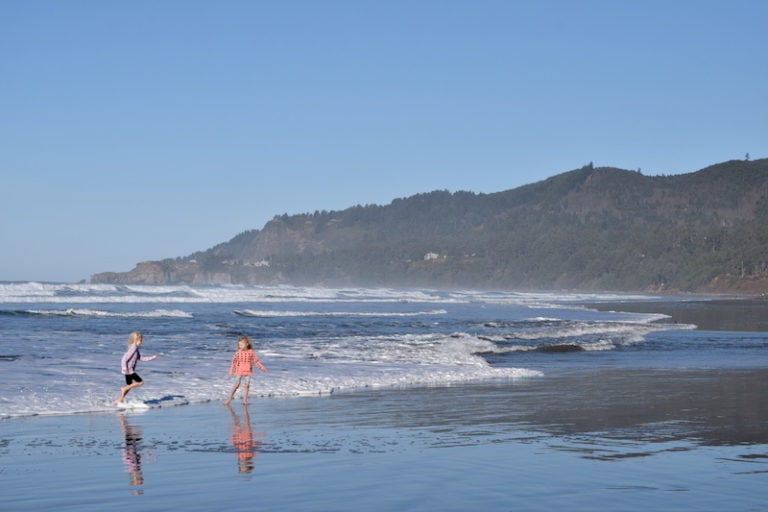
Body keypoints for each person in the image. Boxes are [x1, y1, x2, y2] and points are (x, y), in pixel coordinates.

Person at [116, 332, 158, 404]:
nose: (141, 342)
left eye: (141, 340)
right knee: (140, 382)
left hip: (128, 370)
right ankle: (123, 389)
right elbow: (124, 358)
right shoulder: (133, 347)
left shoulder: (135, 348)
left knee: (129, 386)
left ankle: (119, 400)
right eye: (140, 340)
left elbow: (140, 358)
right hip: (129, 370)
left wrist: (152, 358)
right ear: (135, 340)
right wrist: (124, 368)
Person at [224, 335, 267, 405]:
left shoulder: (251, 352)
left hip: (248, 371)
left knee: (246, 386)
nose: (240, 346)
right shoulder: (238, 352)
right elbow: (233, 362)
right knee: (236, 385)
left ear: (247, 344)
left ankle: (244, 401)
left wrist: (262, 367)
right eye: (239, 345)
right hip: (239, 371)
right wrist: (231, 370)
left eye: (241, 344)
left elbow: (256, 361)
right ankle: (229, 399)